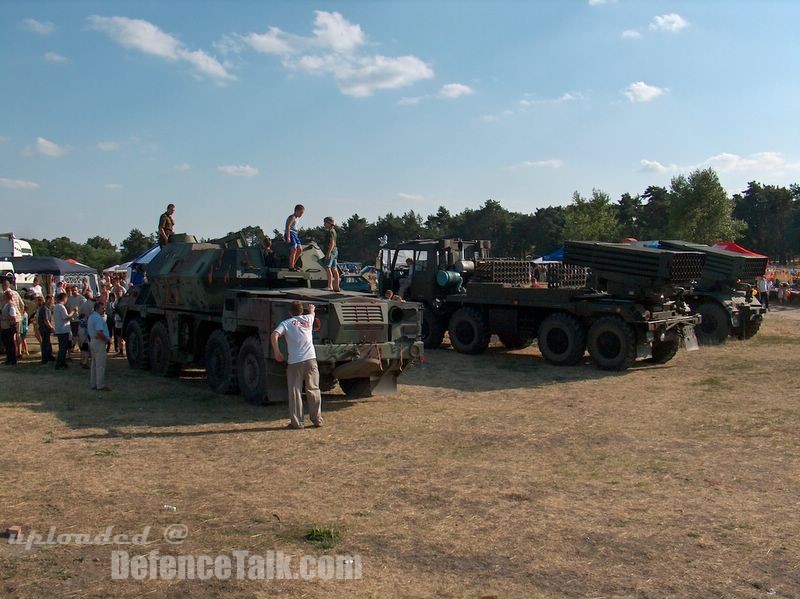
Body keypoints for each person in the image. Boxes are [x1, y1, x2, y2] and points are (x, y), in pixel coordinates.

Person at [271, 300, 323, 429]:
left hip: (295, 361)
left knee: (295, 391)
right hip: (311, 359)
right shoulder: (308, 319)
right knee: (313, 389)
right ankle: (317, 419)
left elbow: (274, 335)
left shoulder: (286, 323)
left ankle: (297, 422)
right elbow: (312, 312)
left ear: (290, 312)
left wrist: (277, 352)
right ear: (301, 311)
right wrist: (311, 309)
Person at [87, 301, 112, 391]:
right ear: (97, 308)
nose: (104, 309)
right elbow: (99, 333)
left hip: (93, 341)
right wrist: (106, 339)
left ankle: (93, 383)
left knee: (94, 364)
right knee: (100, 365)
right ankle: (100, 385)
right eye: (102, 308)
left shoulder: (91, 317)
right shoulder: (98, 318)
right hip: (99, 342)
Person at [53, 292, 73, 369]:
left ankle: (63, 362)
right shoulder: (61, 307)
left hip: (59, 329)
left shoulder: (56, 306)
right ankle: (58, 363)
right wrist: (73, 312)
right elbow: (66, 317)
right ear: (64, 298)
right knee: (63, 348)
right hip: (63, 330)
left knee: (63, 347)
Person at [321, 216, 341, 292]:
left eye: (325, 223)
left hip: (331, 251)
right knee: (334, 268)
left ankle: (330, 286)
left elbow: (332, 242)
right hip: (335, 251)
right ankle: (337, 286)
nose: (324, 224)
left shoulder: (330, 231)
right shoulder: (334, 231)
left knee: (327, 267)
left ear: (329, 223)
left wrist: (328, 253)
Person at [1, 290, 19, 365]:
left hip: (9, 327)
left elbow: (13, 317)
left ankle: (12, 359)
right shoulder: (6, 304)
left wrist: (5, 318)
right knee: (7, 344)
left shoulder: (11, 305)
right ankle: (9, 358)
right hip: (5, 327)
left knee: (10, 344)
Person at [284, 204, 305, 271]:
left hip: (295, 234)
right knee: (294, 249)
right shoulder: (292, 217)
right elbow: (288, 226)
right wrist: (288, 237)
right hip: (291, 233)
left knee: (300, 249)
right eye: (301, 212)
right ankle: (291, 266)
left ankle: (293, 263)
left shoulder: (297, 219)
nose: (301, 214)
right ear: (296, 211)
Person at [38, 295, 55, 363]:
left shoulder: (47, 308)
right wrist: (51, 328)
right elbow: (46, 320)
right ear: (48, 300)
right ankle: (45, 359)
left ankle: (49, 356)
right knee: (45, 344)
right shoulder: (44, 308)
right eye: (52, 300)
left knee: (47, 343)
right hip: (44, 329)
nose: (53, 301)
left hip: (46, 329)